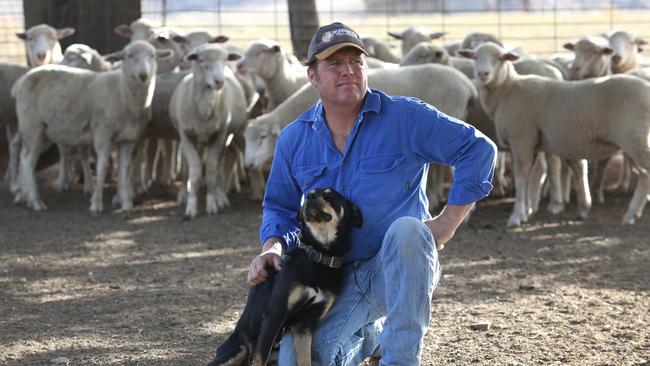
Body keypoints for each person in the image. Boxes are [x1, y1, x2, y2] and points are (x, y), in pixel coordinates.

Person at [247, 22, 497, 365]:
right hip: (333, 279)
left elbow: (478, 149)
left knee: (410, 230)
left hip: (396, 268)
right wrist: (271, 247)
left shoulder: (405, 117)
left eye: (356, 61)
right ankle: (370, 337)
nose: (348, 70)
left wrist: (446, 225)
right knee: (301, 359)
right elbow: (279, 206)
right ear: (313, 77)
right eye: (334, 64)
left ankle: (400, 358)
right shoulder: (294, 138)